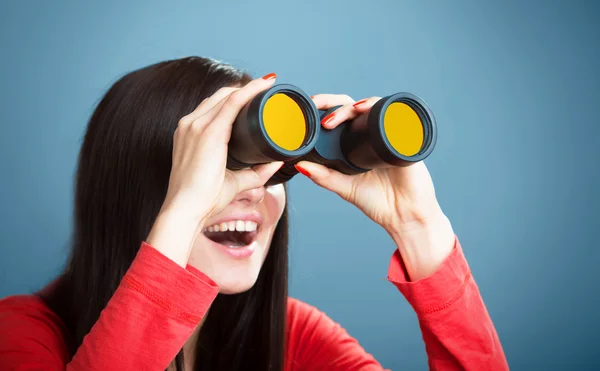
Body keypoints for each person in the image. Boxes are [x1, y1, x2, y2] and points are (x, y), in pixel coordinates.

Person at [0, 57, 509, 370]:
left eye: (270, 169)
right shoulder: (20, 334)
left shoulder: (291, 337)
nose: (252, 191)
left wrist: (418, 226)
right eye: (221, 170)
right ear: (142, 187)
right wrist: (184, 209)